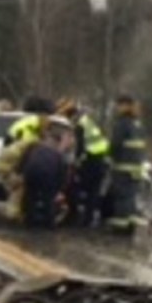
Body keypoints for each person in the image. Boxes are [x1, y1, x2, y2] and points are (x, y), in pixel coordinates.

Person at [57, 97, 110, 227]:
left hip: (91, 160)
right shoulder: (87, 121)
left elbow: (79, 148)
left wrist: (75, 163)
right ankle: (87, 220)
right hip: (101, 160)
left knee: (73, 187)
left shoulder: (79, 125)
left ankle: (73, 215)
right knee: (93, 191)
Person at [20, 115, 74, 229]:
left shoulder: (36, 146)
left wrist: (23, 174)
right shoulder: (58, 154)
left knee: (30, 196)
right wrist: (60, 189)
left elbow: (24, 160)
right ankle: (49, 224)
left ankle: (29, 222)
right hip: (47, 175)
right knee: (48, 198)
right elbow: (62, 173)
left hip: (31, 172)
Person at [106, 93, 148, 234]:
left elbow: (115, 145)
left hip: (122, 167)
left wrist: (110, 158)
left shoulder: (122, 124)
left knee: (121, 198)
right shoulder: (138, 124)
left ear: (125, 106)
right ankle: (131, 225)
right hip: (136, 168)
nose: (117, 108)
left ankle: (120, 227)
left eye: (119, 105)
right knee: (131, 197)